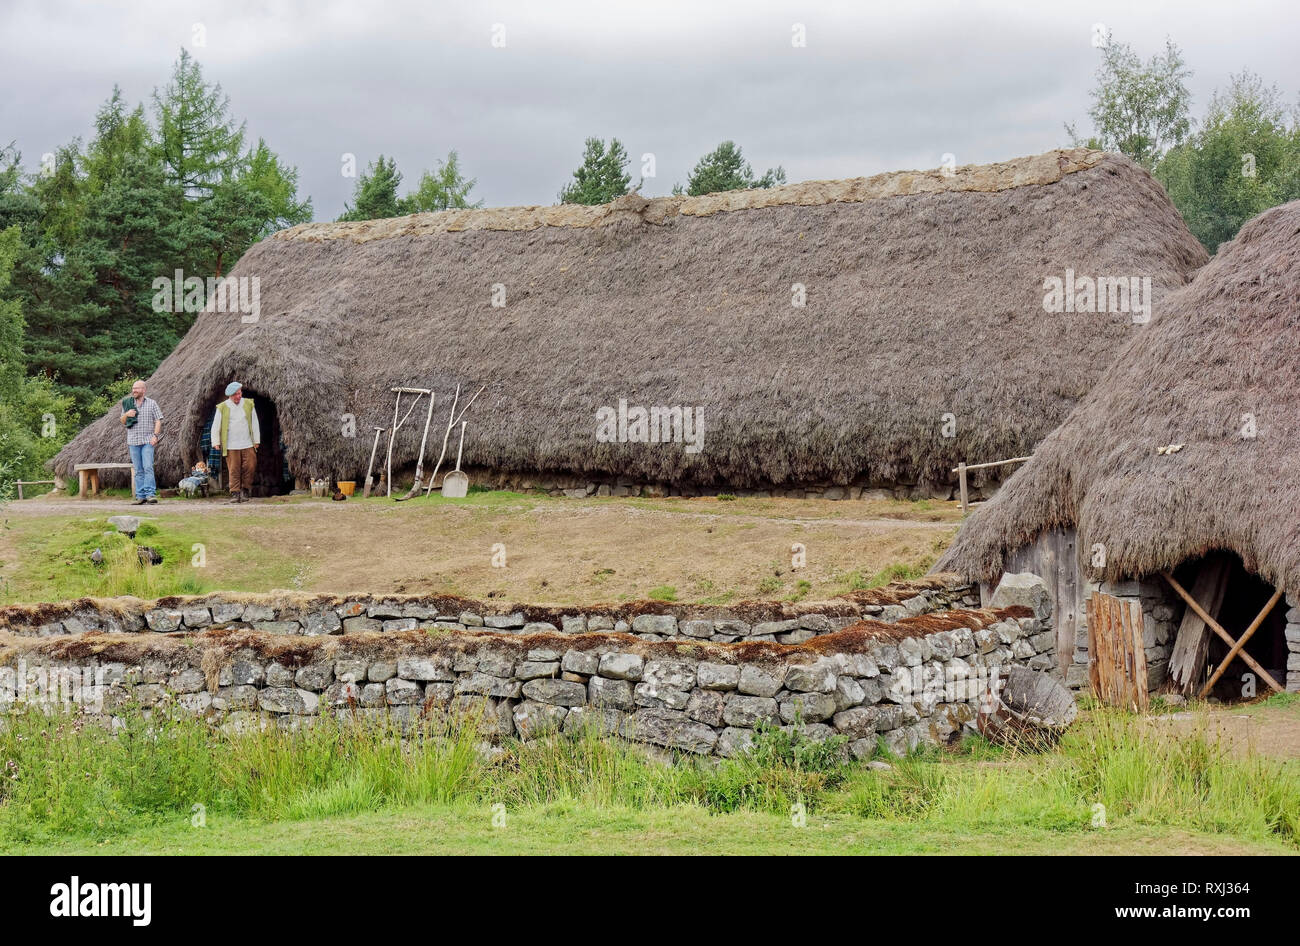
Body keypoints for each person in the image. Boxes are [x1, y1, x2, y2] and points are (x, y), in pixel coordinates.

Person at [210, 381, 261, 504]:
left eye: (239, 393)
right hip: (231, 444)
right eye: (235, 395)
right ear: (230, 396)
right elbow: (216, 425)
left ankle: (245, 490)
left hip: (247, 442)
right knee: (234, 469)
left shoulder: (249, 404)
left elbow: (254, 422)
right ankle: (235, 492)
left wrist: (256, 440)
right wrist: (215, 441)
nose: (238, 396)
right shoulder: (223, 407)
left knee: (250, 466)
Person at [119, 379, 162, 505]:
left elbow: (158, 420)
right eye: (133, 388)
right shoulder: (127, 403)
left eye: (137, 388)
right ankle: (140, 496)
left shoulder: (152, 403)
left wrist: (155, 436)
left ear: (144, 390)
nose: (134, 390)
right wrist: (127, 414)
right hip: (133, 441)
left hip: (148, 440)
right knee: (138, 469)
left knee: (148, 467)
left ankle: (150, 495)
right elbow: (122, 421)